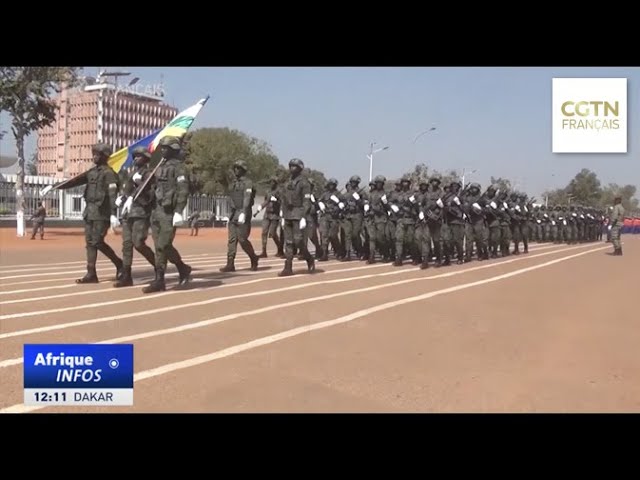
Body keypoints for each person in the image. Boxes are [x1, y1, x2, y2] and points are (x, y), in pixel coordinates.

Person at [142, 136, 192, 293]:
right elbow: (154, 189)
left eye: (166, 147)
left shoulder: (180, 168)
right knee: (159, 247)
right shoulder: (159, 166)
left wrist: (179, 211)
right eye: (161, 147)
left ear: (173, 149)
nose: (162, 150)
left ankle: (181, 267)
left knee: (164, 245)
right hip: (157, 210)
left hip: (169, 212)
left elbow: (183, 190)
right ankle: (160, 279)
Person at [72, 143, 124, 283]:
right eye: (93, 153)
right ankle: (91, 273)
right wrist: (55, 187)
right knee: (90, 243)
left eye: (97, 154)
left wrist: (114, 213)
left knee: (97, 241)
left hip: (103, 213)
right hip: (89, 212)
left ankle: (119, 264)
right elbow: (74, 181)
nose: (94, 156)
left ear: (104, 156)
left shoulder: (109, 174)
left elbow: (113, 194)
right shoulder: (92, 172)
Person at [113, 146, 157, 288]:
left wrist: (136, 190)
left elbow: (148, 193)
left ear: (145, 159)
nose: (136, 159)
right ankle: (126, 275)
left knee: (138, 243)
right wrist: (123, 197)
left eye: (139, 156)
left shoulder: (149, 174)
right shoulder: (132, 174)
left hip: (141, 213)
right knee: (127, 244)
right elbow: (127, 190)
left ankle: (158, 266)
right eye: (135, 157)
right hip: (128, 213)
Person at [220, 160, 259, 272]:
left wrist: (243, 212)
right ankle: (230, 263)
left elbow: (247, 197)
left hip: (243, 213)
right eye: (235, 168)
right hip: (233, 213)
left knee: (242, 239)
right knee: (232, 240)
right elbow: (230, 196)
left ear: (243, 170)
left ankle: (253, 258)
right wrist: (230, 213)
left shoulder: (248, 183)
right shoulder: (233, 183)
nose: (236, 170)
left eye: (238, 168)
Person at [278, 158, 315, 276]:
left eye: (294, 166)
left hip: (298, 214)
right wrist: (282, 215)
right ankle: (288, 267)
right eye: (290, 166)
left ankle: (309, 258)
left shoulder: (304, 183)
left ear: (299, 168)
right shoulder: (287, 182)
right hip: (288, 214)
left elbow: (306, 201)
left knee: (298, 240)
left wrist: (304, 216)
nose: (291, 169)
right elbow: (283, 199)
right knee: (288, 242)